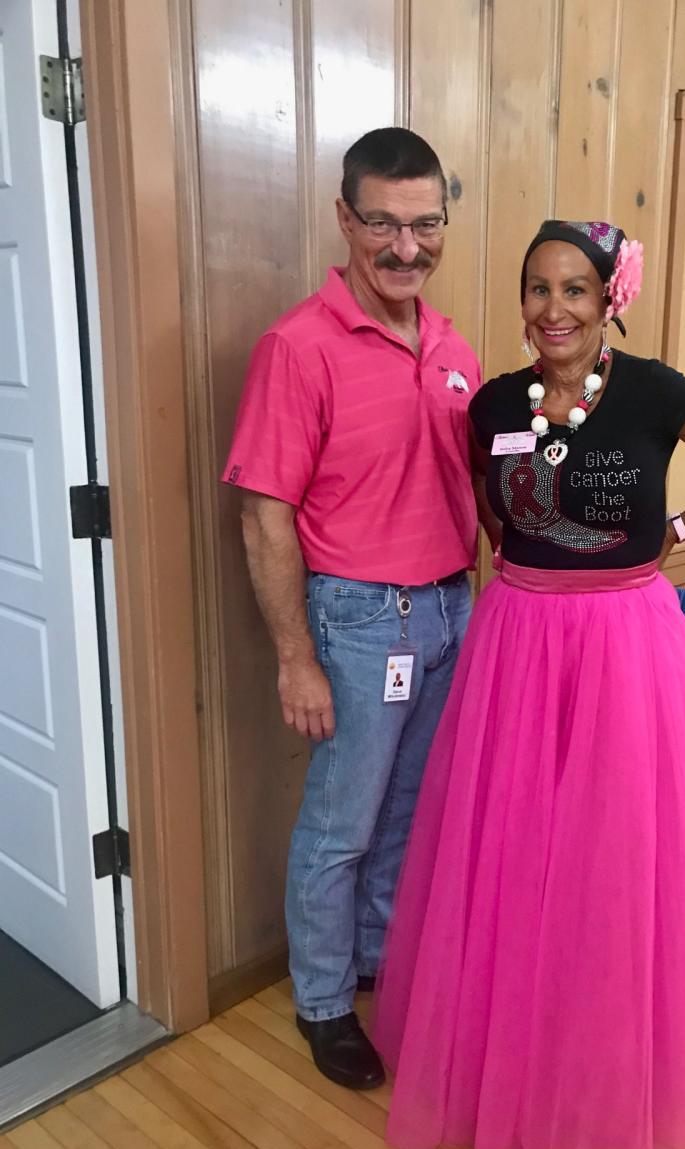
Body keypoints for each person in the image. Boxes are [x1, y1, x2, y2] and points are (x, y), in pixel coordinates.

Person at [371, 218, 685, 1149]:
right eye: (537, 288)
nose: (552, 309)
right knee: (513, 845)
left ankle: (595, 1064)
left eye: (574, 289)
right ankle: (501, 1061)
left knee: (608, 849)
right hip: (518, 638)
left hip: (622, 642)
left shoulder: (653, 391)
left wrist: (680, 524)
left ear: (611, 298)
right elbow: (496, 510)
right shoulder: (489, 404)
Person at [222, 128, 481, 1090]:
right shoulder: (297, 347)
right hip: (361, 621)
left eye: (425, 224)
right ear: (346, 219)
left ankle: (375, 963)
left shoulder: (452, 344)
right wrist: (297, 657)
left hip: (450, 609)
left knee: (407, 815)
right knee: (342, 826)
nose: (406, 246)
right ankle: (325, 1003)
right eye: (383, 223)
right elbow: (263, 515)